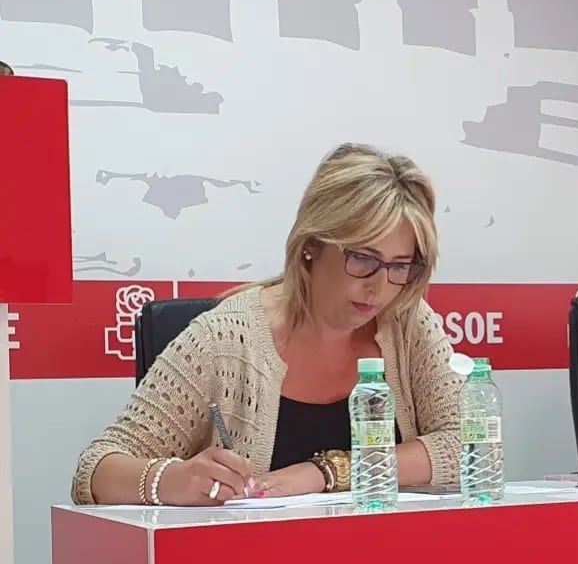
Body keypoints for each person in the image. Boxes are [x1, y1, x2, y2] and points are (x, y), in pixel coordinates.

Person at [72, 143, 462, 506]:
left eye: (399, 266)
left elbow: (467, 446)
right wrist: (172, 479)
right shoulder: (223, 339)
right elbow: (93, 471)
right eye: (362, 259)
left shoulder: (407, 322)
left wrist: (324, 472)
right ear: (311, 245)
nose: (379, 287)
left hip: (393, 561)